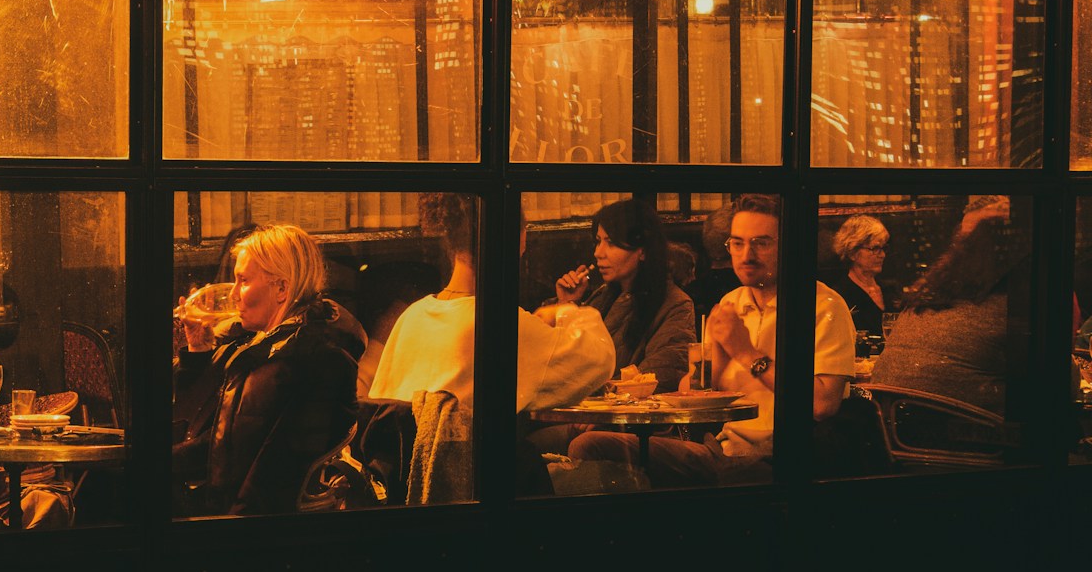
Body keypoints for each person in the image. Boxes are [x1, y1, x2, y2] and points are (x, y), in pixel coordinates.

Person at [569, 194, 857, 487]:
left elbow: (822, 404)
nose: (747, 255)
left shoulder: (823, 306)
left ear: (787, 246)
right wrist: (709, 365)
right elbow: (698, 397)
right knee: (589, 445)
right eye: (737, 243)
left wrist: (746, 353)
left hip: (781, 458)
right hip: (721, 448)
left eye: (761, 243)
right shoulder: (729, 304)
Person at [173, 222, 364, 516]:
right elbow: (201, 429)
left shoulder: (313, 362)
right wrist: (199, 349)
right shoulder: (257, 346)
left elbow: (271, 480)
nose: (233, 293)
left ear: (282, 289)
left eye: (243, 280)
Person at [367, 195, 615, 416]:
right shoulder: (498, 322)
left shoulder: (413, 316)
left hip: (404, 464)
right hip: (471, 465)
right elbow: (597, 359)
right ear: (517, 238)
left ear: (450, 242)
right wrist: (567, 309)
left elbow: (382, 408)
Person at [869, 197, 1019, 416]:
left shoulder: (924, 300)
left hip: (894, 437)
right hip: (970, 440)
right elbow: (1061, 385)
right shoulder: (1010, 308)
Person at [550, 198, 696, 393]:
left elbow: (659, 375)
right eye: (598, 241)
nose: (598, 253)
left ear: (642, 251)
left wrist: (604, 401)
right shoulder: (604, 296)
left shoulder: (675, 305)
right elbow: (564, 364)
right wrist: (567, 304)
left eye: (610, 243)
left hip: (623, 418)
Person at [825, 214, 894, 343]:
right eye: (875, 249)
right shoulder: (840, 295)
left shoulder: (890, 291)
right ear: (852, 253)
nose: (882, 255)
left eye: (883, 248)